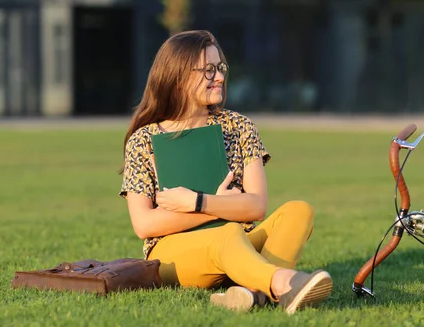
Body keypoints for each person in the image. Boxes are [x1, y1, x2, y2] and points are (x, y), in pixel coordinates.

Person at [119, 30, 332, 314]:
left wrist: (198, 202)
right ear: (178, 76)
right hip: (174, 256)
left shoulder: (240, 127)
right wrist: (221, 206)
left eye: (220, 68)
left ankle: (251, 294)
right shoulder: (143, 140)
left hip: (238, 241)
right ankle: (284, 283)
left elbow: (256, 206)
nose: (219, 77)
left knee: (298, 211)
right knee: (228, 233)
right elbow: (144, 224)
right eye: (208, 70)